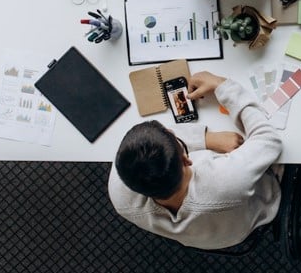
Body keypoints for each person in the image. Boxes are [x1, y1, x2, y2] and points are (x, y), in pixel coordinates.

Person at [108, 71, 282, 250]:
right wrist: (221, 84)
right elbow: (269, 139)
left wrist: (208, 139)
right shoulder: (227, 179)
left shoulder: (119, 189)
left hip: (206, 235)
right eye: (177, 139)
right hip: (251, 215)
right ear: (186, 159)